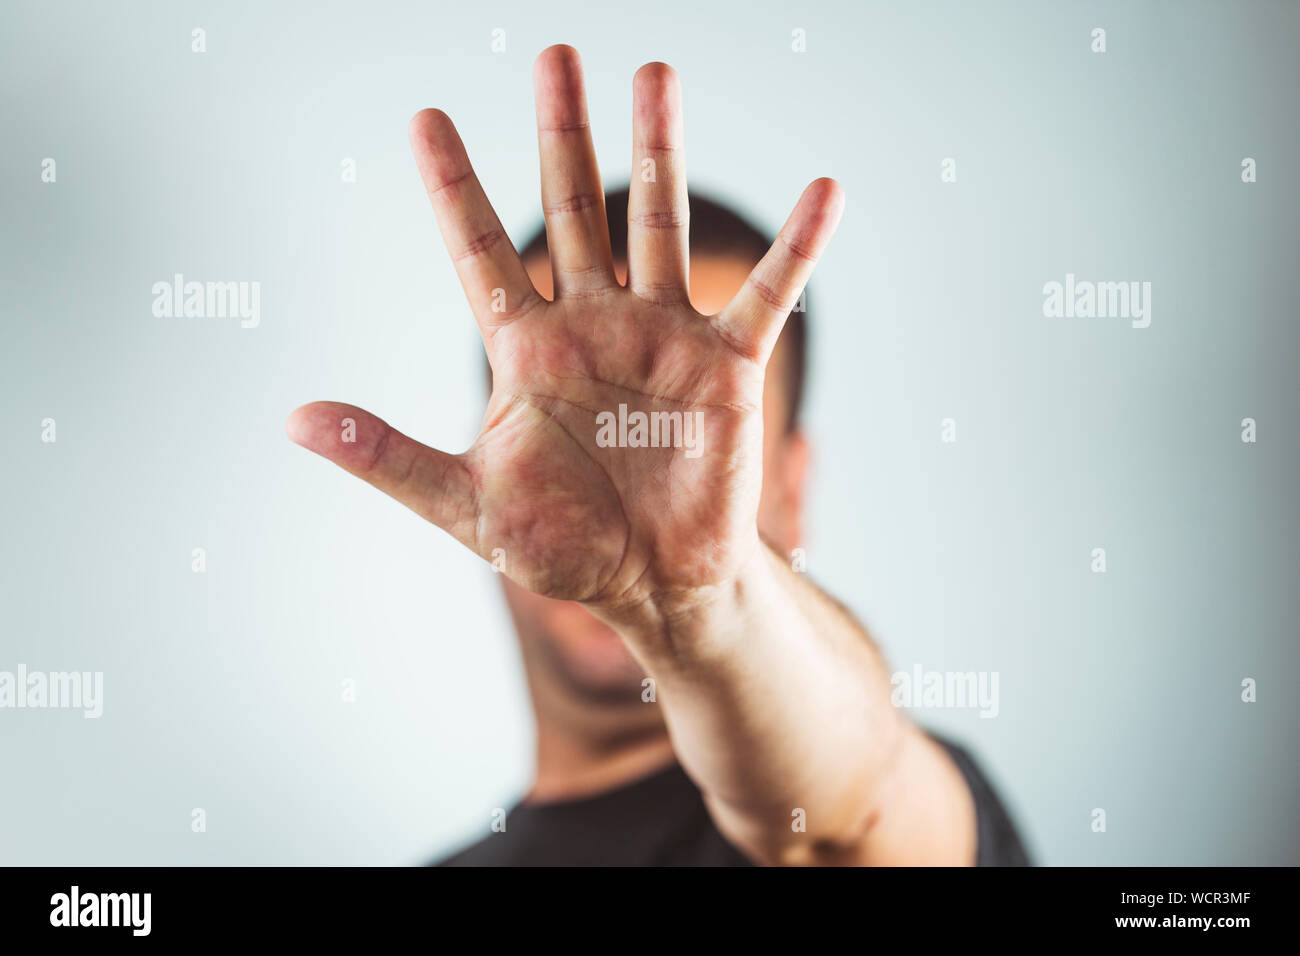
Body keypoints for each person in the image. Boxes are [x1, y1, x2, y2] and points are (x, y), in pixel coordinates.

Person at [287, 45, 1028, 866]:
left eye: (698, 438)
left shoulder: (845, 819)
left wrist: (696, 606)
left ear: (789, 484)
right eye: (566, 427)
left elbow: (854, 813)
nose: (620, 475)